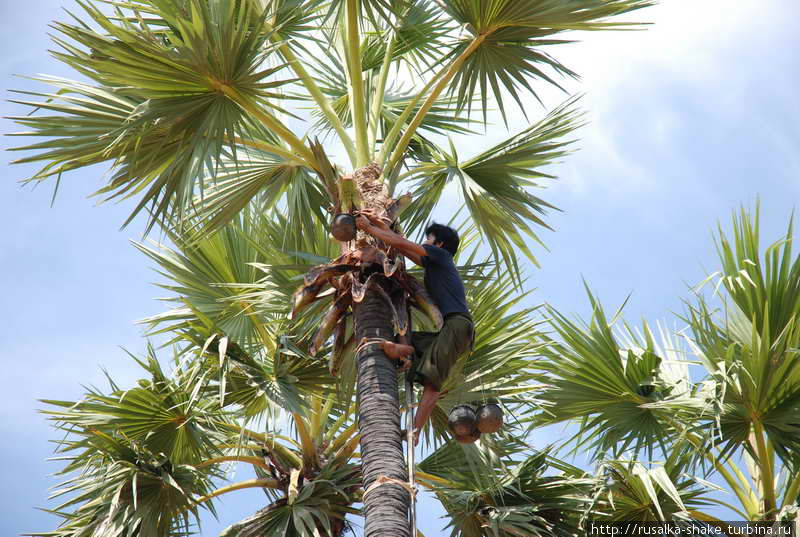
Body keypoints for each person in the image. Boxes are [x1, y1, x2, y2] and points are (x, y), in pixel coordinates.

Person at [355, 208, 475, 445]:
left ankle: (416, 431)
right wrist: (377, 221)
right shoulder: (434, 263)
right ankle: (404, 351)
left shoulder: (441, 257)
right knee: (413, 340)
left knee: (433, 383)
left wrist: (368, 228)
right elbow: (401, 246)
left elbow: (401, 242)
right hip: (455, 328)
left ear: (438, 243)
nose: (424, 242)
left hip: (459, 324)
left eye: (428, 238)